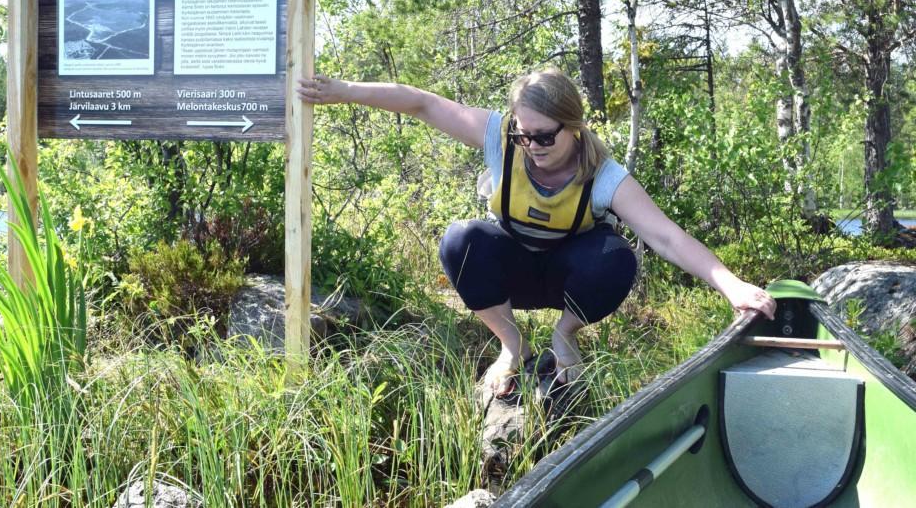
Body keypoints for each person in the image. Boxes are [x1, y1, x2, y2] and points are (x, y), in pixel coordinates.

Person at [297, 68, 776, 397]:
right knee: (461, 238)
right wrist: (343, 90)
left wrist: (731, 284)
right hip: (514, 274)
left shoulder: (605, 175)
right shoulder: (499, 136)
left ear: (574, 128)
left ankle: (564, 337)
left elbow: (666, 236)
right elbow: (421, 103)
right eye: (524, 135)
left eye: (544, 136)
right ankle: (513, 346)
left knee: (616, 256)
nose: (532, 146)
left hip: (568, 280)